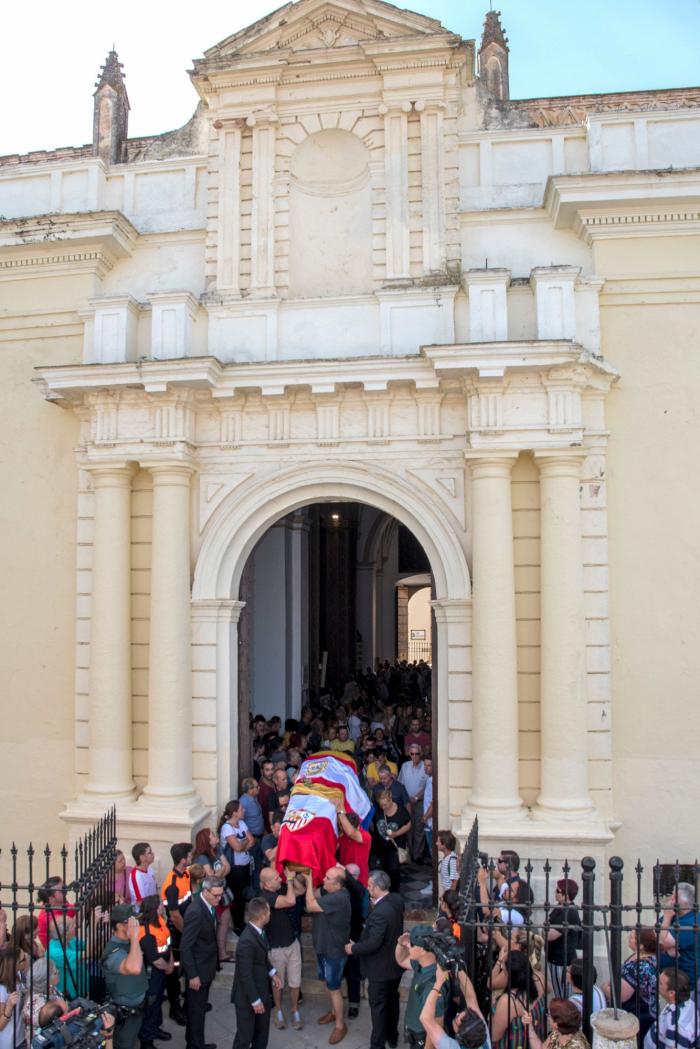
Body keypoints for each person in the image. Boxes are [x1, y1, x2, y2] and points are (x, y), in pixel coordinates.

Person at [345, 869, 405, 1049]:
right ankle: (392, 1037)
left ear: (378, 888)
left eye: (370, 885)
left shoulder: (380, 912)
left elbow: (373, 943)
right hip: (395, 963)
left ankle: (377, 1045)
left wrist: (353, 948)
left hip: (380, 969)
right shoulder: (396, 900)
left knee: (378, 1008)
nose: (367, 888)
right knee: (392, 1001)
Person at [305, 867, 351, 1045]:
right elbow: (314, 893)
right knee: (326, 983)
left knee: (334, 988)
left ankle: (340, 1025)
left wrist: (309, 880)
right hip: (323, 948)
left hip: (333, 952)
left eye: (327, 878)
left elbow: (310, 904)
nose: (323, 879)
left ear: (338, 884)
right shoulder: (331, 892)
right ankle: (333, 1012)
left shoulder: (339, 898)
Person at [180, 876, 226, 1049]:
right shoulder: (196, 912)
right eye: (216, 895)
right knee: (196, 1012)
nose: (219, 899)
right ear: (205, 891)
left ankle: (195, 1043)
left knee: (198, 1011)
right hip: (198, 972)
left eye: (221, 895)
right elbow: (185, 947)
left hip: (206, 967)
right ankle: (194, 1045)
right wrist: (193, 975)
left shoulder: (208, 905)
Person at [230, 897, 281, 1049]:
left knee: (261, 1035)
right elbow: (245, 975)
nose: (270, 914)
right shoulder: (247, 941)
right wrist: (255, 1001)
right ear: (262, 916)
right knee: (244, 1038)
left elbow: (262, 957)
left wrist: (272, 973)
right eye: (269, 911)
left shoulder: (259, 931)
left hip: (262, 991)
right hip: (248, 999)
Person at [259, 867, 304, 1032]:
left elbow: (301, 890)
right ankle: (278, 1011)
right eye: (276, 878)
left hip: (292, 944)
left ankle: (294, 1010)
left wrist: (291, 876)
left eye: (279, 876)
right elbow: (291, 901)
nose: (280, 879)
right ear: (267, 884)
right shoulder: (265, 897)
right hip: (276, 949)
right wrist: (289, 880)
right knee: (278, 984)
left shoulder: (280, 889)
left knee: (295, 982)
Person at [101, 905, 149, 1049]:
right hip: (125, 1015)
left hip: (137, 1009)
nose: (136, 924)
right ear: (120, 926)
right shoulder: (113, 952)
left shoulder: (128, 942)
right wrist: (134, 937)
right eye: (132, 921)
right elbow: (134, 968)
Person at [395, 924, 450, 1049]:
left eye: (412, 944)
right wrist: (401, 944)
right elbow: (401, 960)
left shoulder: (432, 984)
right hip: (414, 1033)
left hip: (422, 1039)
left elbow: (436, 1026)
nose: (409, 947)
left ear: (422, 950)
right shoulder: (422, 964)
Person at [601, 928, 658, 1044]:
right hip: (647, 1011)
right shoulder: (649, 958)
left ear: (641, 946)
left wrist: (605, 987)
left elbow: (620, 996)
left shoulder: (637, 966)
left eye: (632, 937)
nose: (629, 938)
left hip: (636, 1016)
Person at [136, 895, 174, 1049]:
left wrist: (171, 961)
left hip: (161, 971)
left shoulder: (159, 922)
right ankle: (146, 1041)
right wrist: (168, 966)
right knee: (150, 1006)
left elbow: (167, 944)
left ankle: (155, 1029)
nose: (163, 907)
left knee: (157, 1002)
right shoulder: (146, 933)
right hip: (152, 975)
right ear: (155, 909)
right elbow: (155, 960)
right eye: (160, 905)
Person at [160, 843, 192, 1027]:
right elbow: (174, 915)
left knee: (187, 966)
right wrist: (188, 933)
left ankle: (189, 1000)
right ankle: (175, 1007)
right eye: (189, 855)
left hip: (185, 929)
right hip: (177, 934)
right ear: (182, 860)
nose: (191, 857)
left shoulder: (185, 873)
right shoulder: (172, 885)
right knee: (174, 972)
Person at [419, 964, 488, 1049]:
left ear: (459, 1037)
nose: (457, 1013)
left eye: (458, 1017)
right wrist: (457, 967)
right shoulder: (481, 1033)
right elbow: (471, 998)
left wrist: (438, 983)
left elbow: (425, 1018)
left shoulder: (450, 1046)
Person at [192, 828, 233, 964]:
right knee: (219, 922)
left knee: (225, 920)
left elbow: (228, 867)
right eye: (213, 836)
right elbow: (211, 878)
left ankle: (221, 952)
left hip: (222, 892)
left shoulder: (217, 850)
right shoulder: (202, 857)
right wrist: (221, 871)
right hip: (211, 895)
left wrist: (219, 873)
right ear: (206, 841)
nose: (216, 837)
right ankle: (220, 953)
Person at [491, 953, 545, 1049]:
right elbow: (549, 989)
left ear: (510, 976)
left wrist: (493, 1007)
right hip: (537, 1042)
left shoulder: (508, 1001)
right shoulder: (539, 978)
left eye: (504, 971)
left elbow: (495, 1036)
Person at [219, 801, 254, 935]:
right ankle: (238, 925)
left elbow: (252, 840)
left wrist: (242, 844)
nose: (244, 810)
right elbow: (237, 847)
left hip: (245, 865)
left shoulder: (242, 823)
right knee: (237, 897)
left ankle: (241, 921)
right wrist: (244, 842)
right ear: (234, 813)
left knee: (243, 894)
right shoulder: (227, 828)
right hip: (234, 869)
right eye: (241, 809)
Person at [643, 969, 700, 1049]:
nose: (656, 983)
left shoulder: (676, 1027)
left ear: (671, 993)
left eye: (660, 983)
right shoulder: (686, 1002)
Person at [658, 883, 699, 984]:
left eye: (675, 897)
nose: (670, 899)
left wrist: (667, 917)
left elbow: (664, 942)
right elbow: (655, 933)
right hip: (668, 977)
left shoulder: (693, 921)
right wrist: (667, 948)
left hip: (685, 981)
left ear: (686, 901)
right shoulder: (675, 915)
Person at [372, 790, 411, 894]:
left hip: (395, 847)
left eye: (385, 804)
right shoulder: (378, 810)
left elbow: (408, 824)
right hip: (381, 846)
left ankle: (394, 893)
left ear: (390, 800)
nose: (383, 807)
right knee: (385, 870)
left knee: (394, 870)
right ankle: (386, 892)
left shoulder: (401, 811)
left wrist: (396, 833)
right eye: (381, 805)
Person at [547, 879, 581, 998]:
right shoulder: (560, 907)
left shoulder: (569, 912)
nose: (555, 892)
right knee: (559, 991)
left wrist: (543, 931)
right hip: (555, 958)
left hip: (562, 961)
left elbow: (549, 935)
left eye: (558, 891)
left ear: (566, 895)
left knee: (563, 994)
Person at [399, 746, 428, 862]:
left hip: (420, 802)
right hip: (407, 802)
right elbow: (401, 784)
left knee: (419, 829)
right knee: (408, 828)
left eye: (417, 754)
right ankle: (410, 855)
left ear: (421, 754)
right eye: (412, 754)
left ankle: (418, 855)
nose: (414, 756)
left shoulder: (425, 766)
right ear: (409, 754)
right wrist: (406, 799)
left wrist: (416, 797)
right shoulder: (405, 766)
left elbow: (428, 786)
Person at [523, 998, 590, 1049]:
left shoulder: (576, 1046)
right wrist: (529, 1025)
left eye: (549, 1015)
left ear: (556, 1024)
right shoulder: (557, 1033)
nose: (547, 1017)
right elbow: (541, 1048)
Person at [22, 957, 67, 1033]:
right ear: (47, 981)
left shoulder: (51, 989)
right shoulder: (37, 1002)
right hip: (45, 1038)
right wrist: (61, 1005)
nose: (58, 972)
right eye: (55, 972)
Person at [47, 915, 86, 1000]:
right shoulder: (54, 952)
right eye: (72, 925)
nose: (76, 926)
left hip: (81, 987)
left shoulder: (70, 940)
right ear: (65, 933)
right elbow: (87, 954)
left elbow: (88, 946)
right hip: (69, 996)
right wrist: (94, 924)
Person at [336, 803, 371, 887]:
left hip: (359, 877)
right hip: (345, 874)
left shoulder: (365, 835)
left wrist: (340, 811)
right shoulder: (343, 835)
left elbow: (350, 833)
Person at [0, 944, 28, 1049]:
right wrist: (9, 1007)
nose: (27, 960)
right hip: (9, 1043)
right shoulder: (2, 989)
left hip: (21, 1036)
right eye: (23, 959)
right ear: (15, 965)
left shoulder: (18, 976)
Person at [36, 879, 75, 951]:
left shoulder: (61, 905)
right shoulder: (46, 916)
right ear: (51, 898)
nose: (66, 891)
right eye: (62, 890)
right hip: (60, 954)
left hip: (69, 947)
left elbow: (76, 910)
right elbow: (72, 924)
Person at [437, 833, 459, 898]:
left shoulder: (452, 860)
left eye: (438, 841)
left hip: (448, 897)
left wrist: (446, 898)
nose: (436, 843)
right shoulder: (446, 858)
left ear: (444, 844)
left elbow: (454, 883)